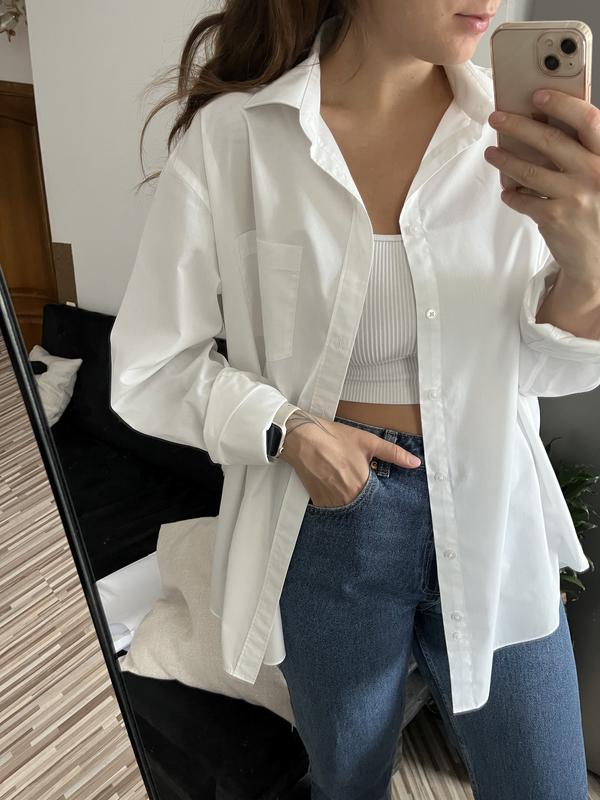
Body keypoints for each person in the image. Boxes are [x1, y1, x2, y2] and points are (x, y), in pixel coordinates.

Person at [110, 3, 599, 798]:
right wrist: (291, 429)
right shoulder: (240, 139)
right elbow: (150, 366)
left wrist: (589, 266)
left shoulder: (510, 136)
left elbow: (543, 372)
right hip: (331, 515)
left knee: (547, 784)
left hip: (493, 504)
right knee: (349, 782)